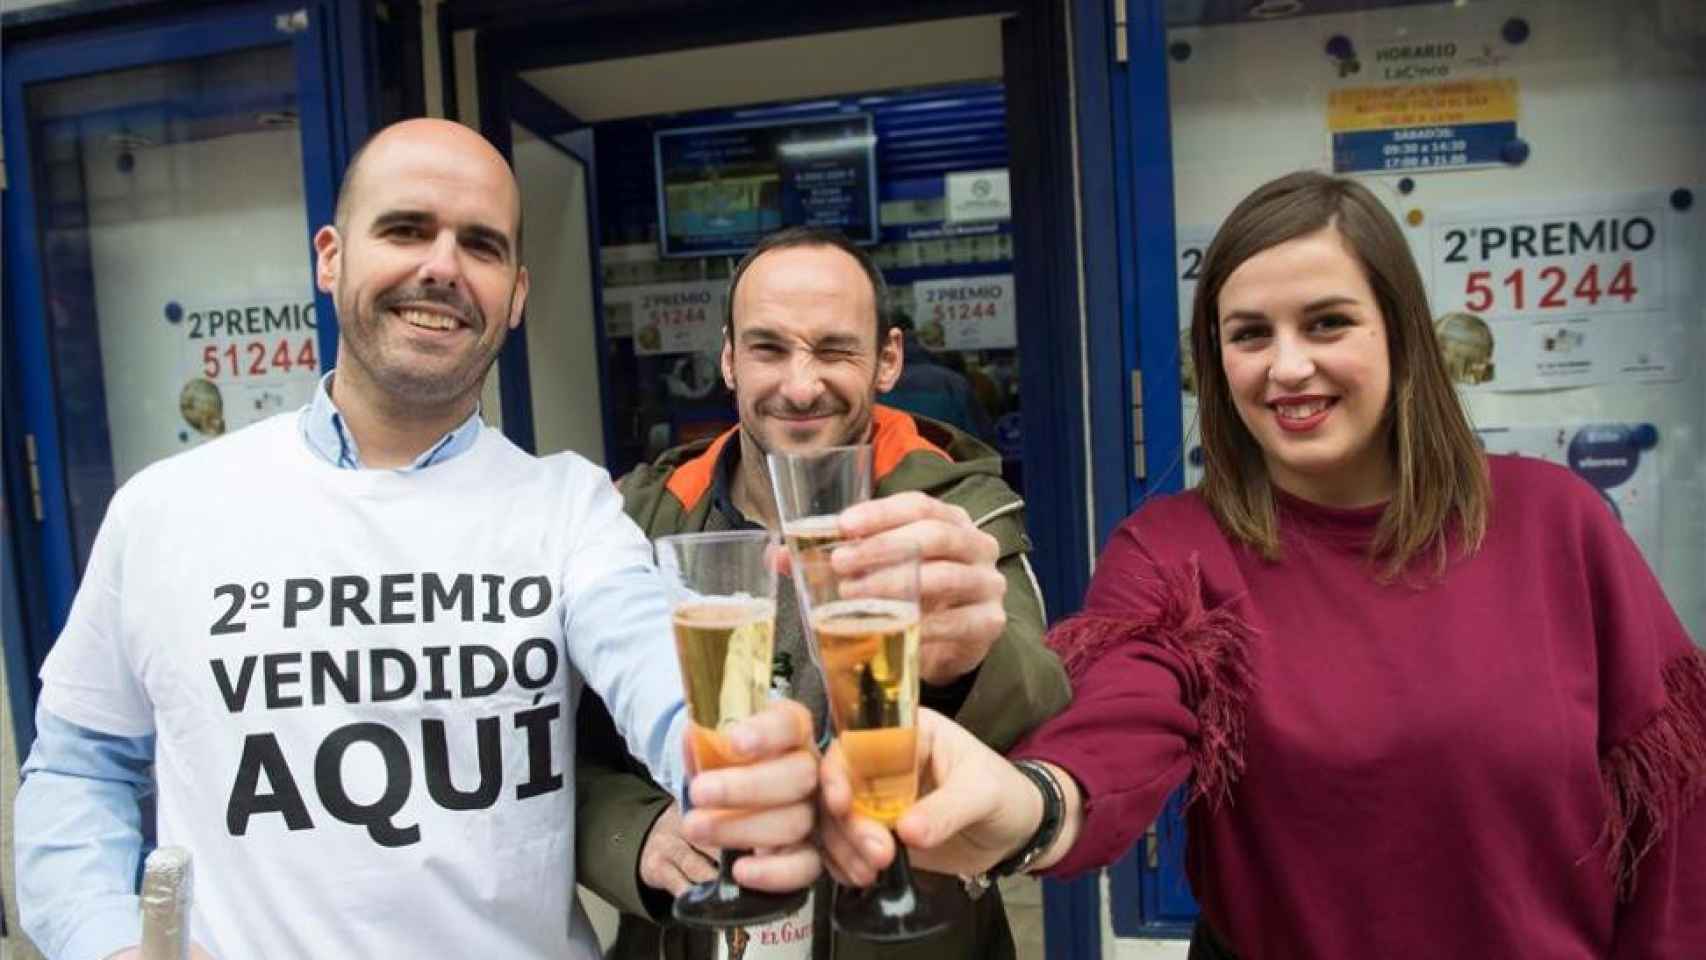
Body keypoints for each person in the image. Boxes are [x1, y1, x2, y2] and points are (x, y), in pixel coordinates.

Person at [820, 171, 1706, 957]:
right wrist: (1029, 804)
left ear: (1400, 335)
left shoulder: (1555, 520)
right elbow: (1121, 720)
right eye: (1249, 334)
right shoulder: (1174, 549)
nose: (1288, 366)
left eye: (1327, 323)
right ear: (1215, 360)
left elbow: (1675, 804)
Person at [13, 119, 820, 960]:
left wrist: (731, 771)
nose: (442, 267)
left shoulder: (567, 506)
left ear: (514, 293)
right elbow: (79, 769)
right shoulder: (166, 509)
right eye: (405, 229)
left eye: (481, 245)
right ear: (331, 257)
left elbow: (649, 663)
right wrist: (107, 945)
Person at [577, 225, 1070, 960]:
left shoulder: (957, 505)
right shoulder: (644, 516)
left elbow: (1043, 703)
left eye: (835, 349)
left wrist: (965, 663)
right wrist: (634, 835)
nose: (801, 385)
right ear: (729, 360)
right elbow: (558, 753)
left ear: (888, 359)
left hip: (905, 934)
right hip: (697, 933)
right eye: (769, 348)